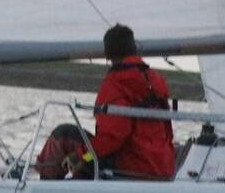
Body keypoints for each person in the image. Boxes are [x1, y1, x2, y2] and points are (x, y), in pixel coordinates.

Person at [63, 23, 175, 180]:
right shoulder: (156, 80)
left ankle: (45, 187)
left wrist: (81, 156)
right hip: (163, 166)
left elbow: (112, 138)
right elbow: (168, 131)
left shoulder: (115, 84)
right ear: (134, 48)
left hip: (131, 166)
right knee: (88, 156)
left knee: (64, 135)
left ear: (107, 54)